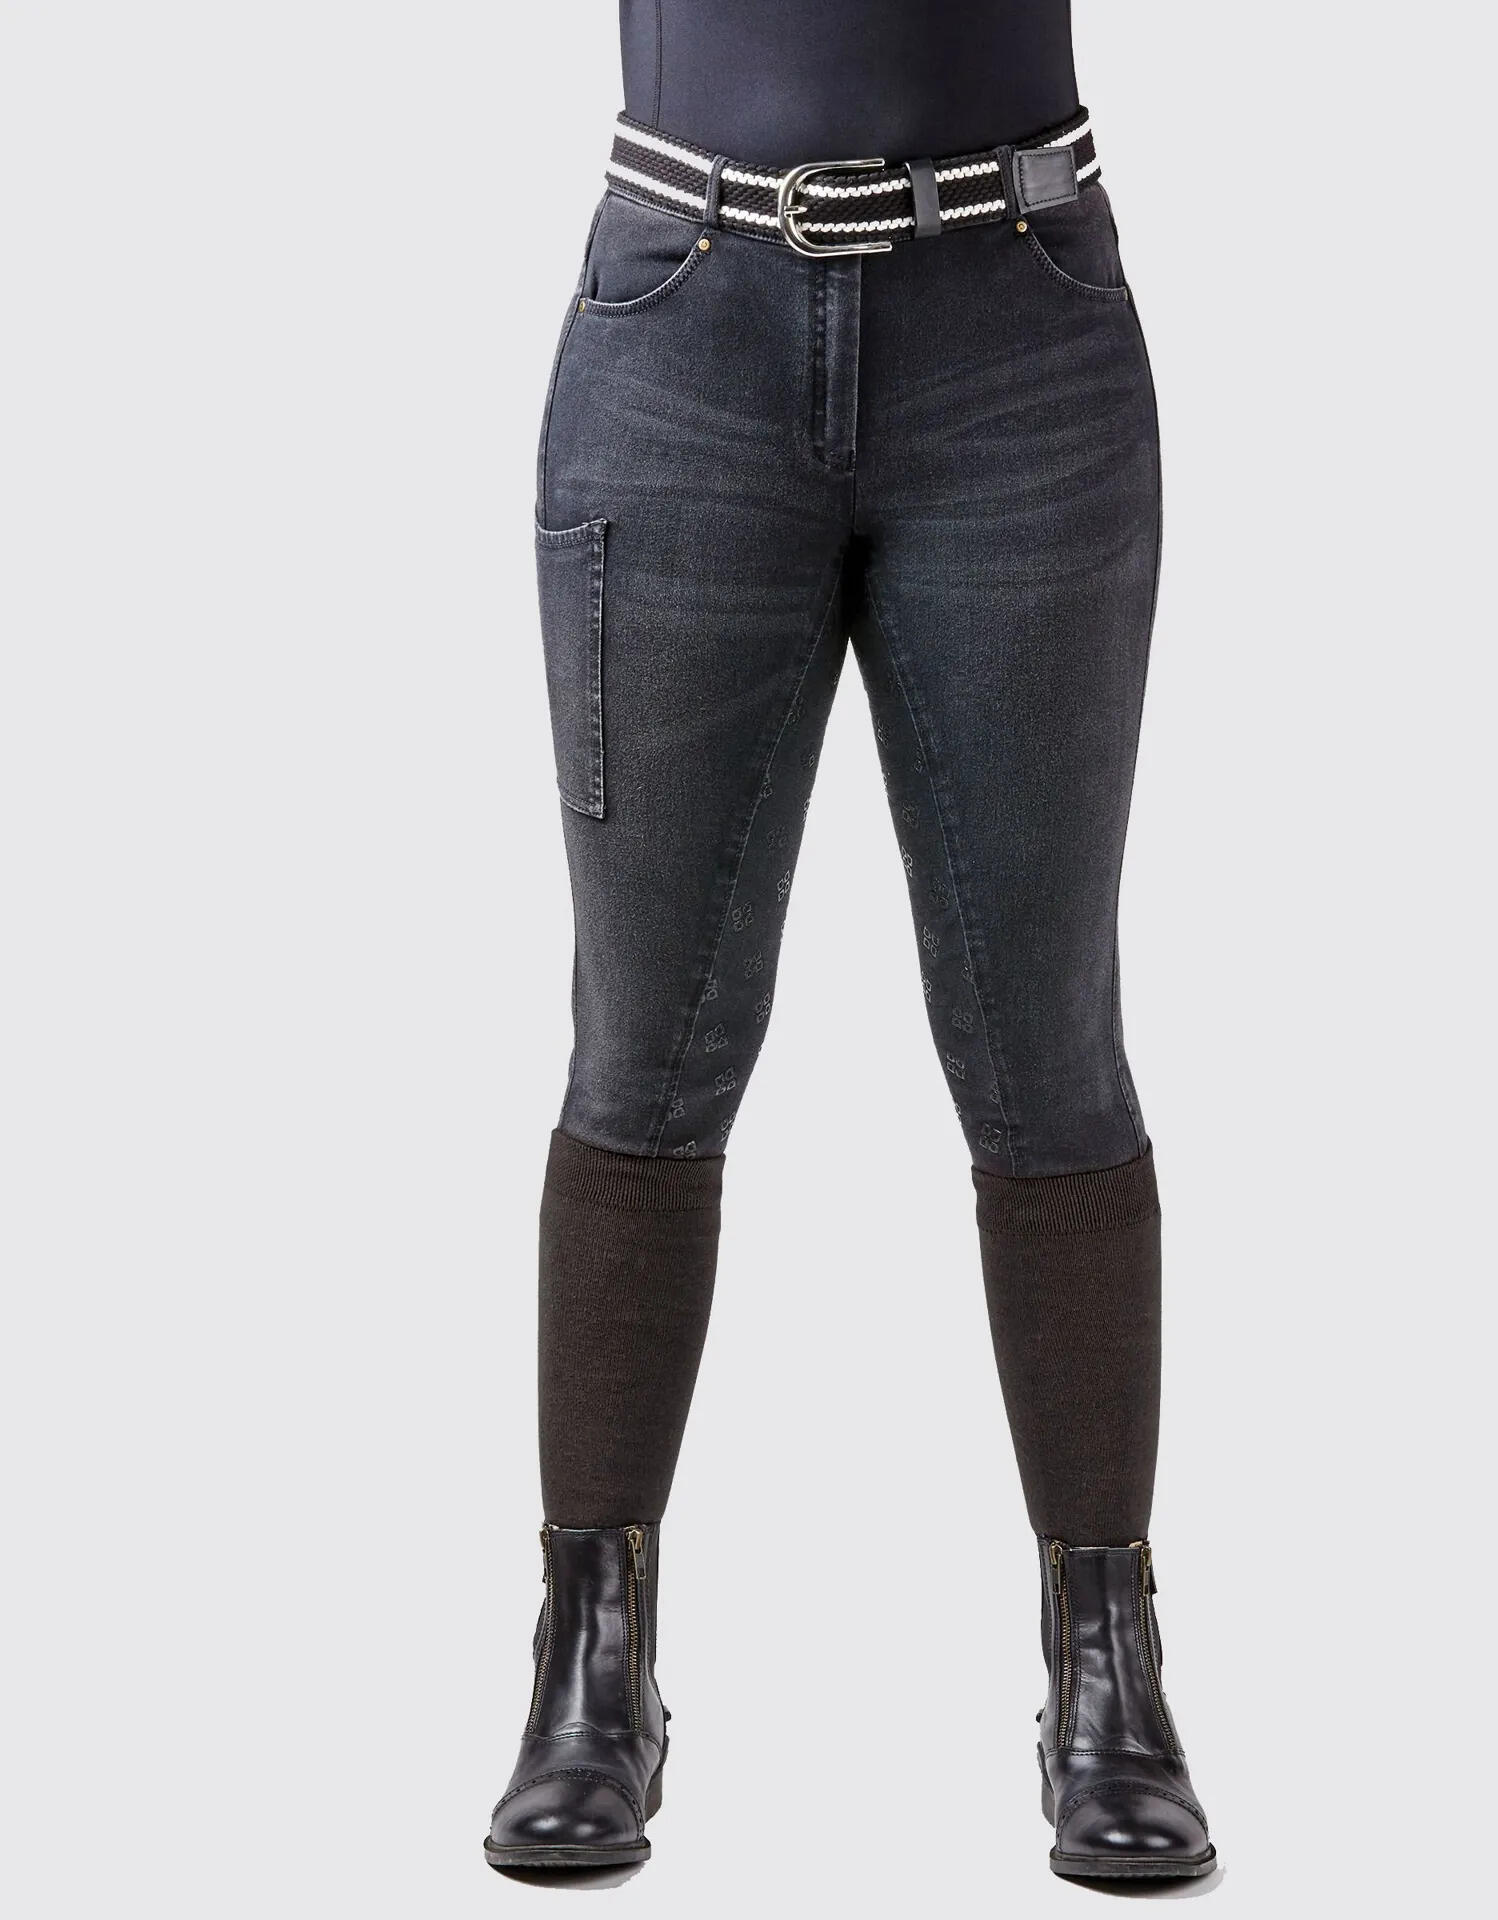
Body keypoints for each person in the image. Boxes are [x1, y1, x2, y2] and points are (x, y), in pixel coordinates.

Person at [485, 1, 1216, 1881]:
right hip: (684, 313)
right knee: (644, 1037)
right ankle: (591, 1656)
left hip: (1019, 324)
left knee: (1051, 1039)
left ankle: (1108, 1666)